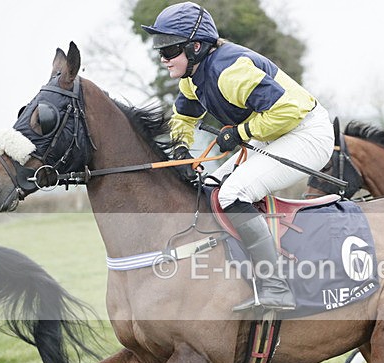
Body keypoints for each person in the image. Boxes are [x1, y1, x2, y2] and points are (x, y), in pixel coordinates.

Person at [142, 1, 334, 312]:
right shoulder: (192, 77)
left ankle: (276, 286)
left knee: (233, 193)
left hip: (306, 133)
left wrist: (241, 133)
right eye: (159, 50)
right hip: (272, 135)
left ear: (195, 47)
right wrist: (181, 145)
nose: (162, 59)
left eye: (169, 50)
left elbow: (288, 111)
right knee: (211, 188)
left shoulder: (230, 71)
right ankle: (232, 275)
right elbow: (183, 118)